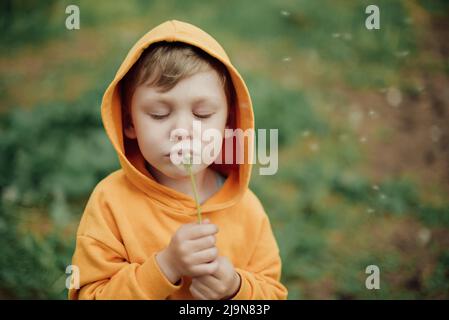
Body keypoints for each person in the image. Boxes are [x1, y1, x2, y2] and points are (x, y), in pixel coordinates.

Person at [68, 20, 287, 300]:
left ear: (228, 123)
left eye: (203, 114)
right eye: (159, 114)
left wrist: (235, 289)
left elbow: (272, 296)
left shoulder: (247, 209)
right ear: (129, 121)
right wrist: (165, 266)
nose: (183, 131)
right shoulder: (110, 202)